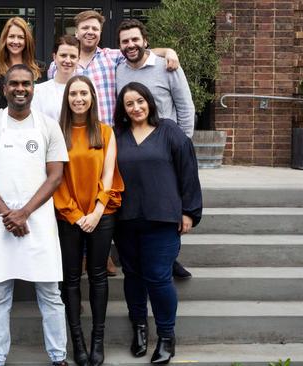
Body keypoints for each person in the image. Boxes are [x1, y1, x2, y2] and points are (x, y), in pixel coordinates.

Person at [0, 64, 70, 366]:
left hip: (38, 222)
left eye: (26, 84)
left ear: (33, 87)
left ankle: (58, 357)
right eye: (14, 84)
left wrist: (24, 213)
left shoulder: (49, 126)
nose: (20, 89)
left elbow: (55, 176)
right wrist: (8, 215)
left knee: (51, 294)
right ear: (4, 88)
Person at [113, 82, 202, 364]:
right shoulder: (117, 136)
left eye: (140, 101)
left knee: (158, 277)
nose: (136, 107)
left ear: (150, 102)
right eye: (130, 104)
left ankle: (166, 336)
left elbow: (188, 172)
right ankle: (139, 327)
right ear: (123, 110)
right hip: (126, 220)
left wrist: (188, 212)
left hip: (162, 218)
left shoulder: (169, 131)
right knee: (133, 276)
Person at [115, 19, 195, 279]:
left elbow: (185, 105)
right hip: (136, 148)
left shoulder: (167, 66)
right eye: (125, 41)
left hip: (167, 148)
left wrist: (183, 144)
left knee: (169, 204)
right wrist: (167, 48)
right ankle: (162, 260)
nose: (130, 45)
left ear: (145, 40)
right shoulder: (119, 68)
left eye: (135, 39)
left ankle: (170, 258)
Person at [54, 75, 124, 366]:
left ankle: (97, 339)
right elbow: (55, 177)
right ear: (67, 99)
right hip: (68, 213)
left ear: (92, 97)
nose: (78, 98)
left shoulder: (105, 132)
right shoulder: (57, 132)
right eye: (73, 94)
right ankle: (77, 341)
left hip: (101, 213)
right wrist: (76, 215)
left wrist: (96, 211)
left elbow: (108, 174)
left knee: (97, 276)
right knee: (70, 279)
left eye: (84, 93)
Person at [47, 10, 179, 126]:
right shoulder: (60, 65)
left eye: (95, 29)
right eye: (85, 28)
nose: (90, 32)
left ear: (100, 32)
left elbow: (139, 52)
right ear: (76, 32)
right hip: (75, 133)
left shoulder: (112, 57)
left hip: (110, 133)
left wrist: (168, 51)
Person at [0, 17, 47, 111]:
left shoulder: (40, 69)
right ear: (5, 39)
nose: (15, 41)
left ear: (27, 41)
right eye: (11, 36)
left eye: (20, 37)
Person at [32, 35, 80, 121]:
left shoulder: (86, 90)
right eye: (63, 55)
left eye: (73, 56)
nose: (68, 61)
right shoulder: (39, 91)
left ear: (78, 59)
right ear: (54, 57)